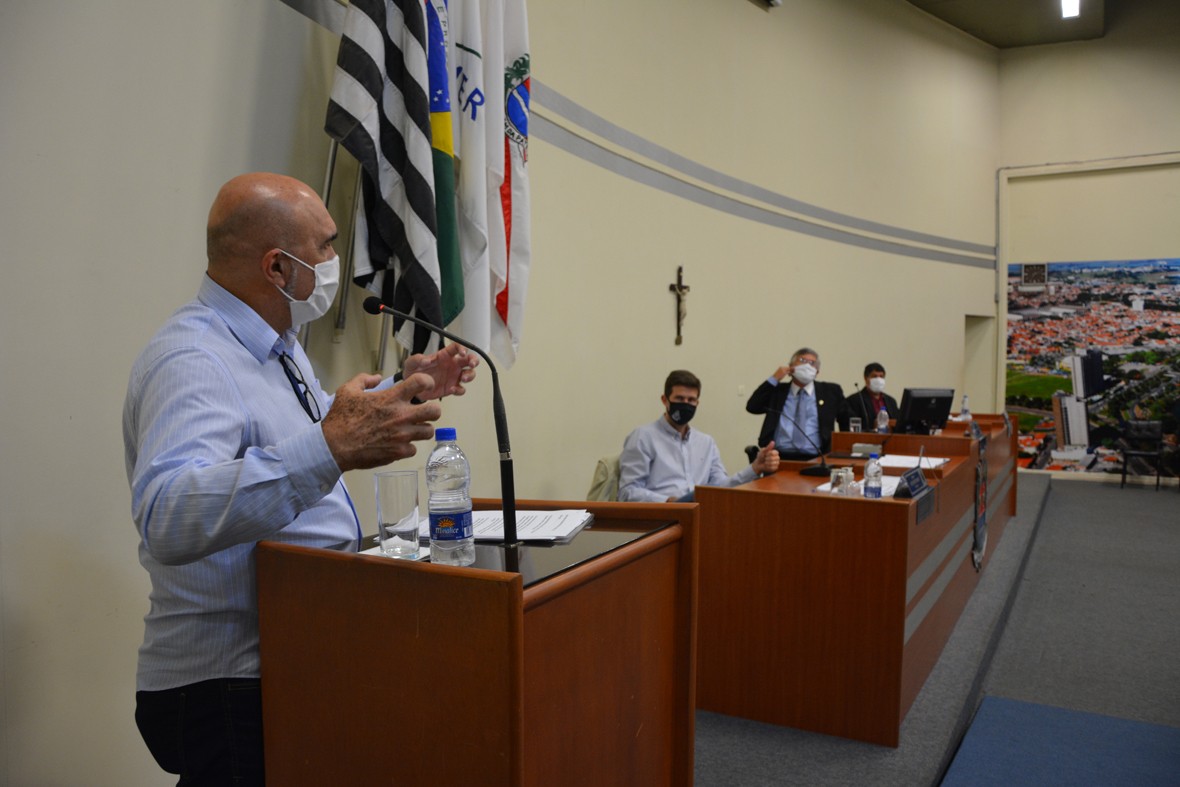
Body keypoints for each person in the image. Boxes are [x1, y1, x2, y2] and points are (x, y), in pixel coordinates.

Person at [122, 172, 479, 785]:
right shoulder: (195, 359)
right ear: (278, 268)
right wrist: (332, 446)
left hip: (290, 655)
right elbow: (167, 514)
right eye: (326, 245)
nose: (337, 259)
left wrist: (404, 388)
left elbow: (296, 444)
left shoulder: (275, 348)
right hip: (227, 682)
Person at [618, 370, 779, 502]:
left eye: (691, 400)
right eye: (679, 398)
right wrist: (668, 501)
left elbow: (721, 486)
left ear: (697, 403)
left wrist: (755, 468)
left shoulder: (706, 442)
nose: (685, 404)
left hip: (700, 516)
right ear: (665, 400)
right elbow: (628, 492)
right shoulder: (643, 437)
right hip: (661, 519)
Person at [746, 347, 844, 459]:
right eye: (802, 361)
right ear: (790, 367)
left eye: (812, 363)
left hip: (817, 457)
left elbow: (847, 420)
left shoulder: (830, 392)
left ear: (817, 372)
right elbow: (752, 406)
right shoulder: (777, 391)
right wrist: (774, 378)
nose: (807, 366)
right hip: (778, 456)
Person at [838, 362, 900, 432]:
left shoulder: (891, 401)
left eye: (881, 376)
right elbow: (850, 428)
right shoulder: (854, 400)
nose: (878, 380)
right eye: (875, 376)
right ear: (866, 378)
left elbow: (897, 423)